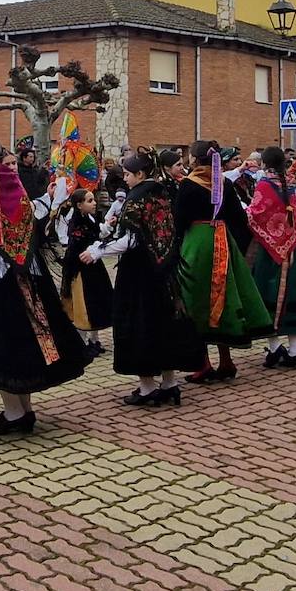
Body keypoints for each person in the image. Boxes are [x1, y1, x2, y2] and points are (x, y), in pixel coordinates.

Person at [0, 138, 89, 435]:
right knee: (27, 336)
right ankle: (24, 408)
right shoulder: (17, 185)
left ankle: (14, 413)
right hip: (25, 277)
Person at [81, 149, 202, 405]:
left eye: (127, 173)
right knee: (164, 324)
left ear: (140, 173)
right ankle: (169, 384)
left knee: (139, 325)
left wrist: (96, 251)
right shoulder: (162, 191)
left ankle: (147, 388)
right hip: (164, 271)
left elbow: (130, 240)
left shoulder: (138, 197)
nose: (124, 178)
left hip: (139, 274)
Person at [173, 141, 272, 381]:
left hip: (197, 243)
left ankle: (203, 364)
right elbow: (238, 217)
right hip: (223, 241)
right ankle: (226, 361)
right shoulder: (224, 183)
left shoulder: (188, 185)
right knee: (225, 295)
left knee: (197, 298)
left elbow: (179, 220)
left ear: (195, 160)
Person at [245, 147, 296, 369]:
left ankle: (274, 348)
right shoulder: (291, 184)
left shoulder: (264, 184)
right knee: (293, 297)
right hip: (295, 248)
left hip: (268, 249)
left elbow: (256, 213)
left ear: (264, 163)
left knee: (267, 296)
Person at [59, 187, 113, 358]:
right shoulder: (76, 222)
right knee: (82, 304)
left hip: (94, 266)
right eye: (90, 201)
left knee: (96, 301)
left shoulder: (90, 218)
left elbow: (97, 233)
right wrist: (97, 246)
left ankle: (94, 339)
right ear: (79, 205)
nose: (94, 203)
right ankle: (81, 343)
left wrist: (107, 226)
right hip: (80, 268)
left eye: (93, 199)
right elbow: (80, 244)